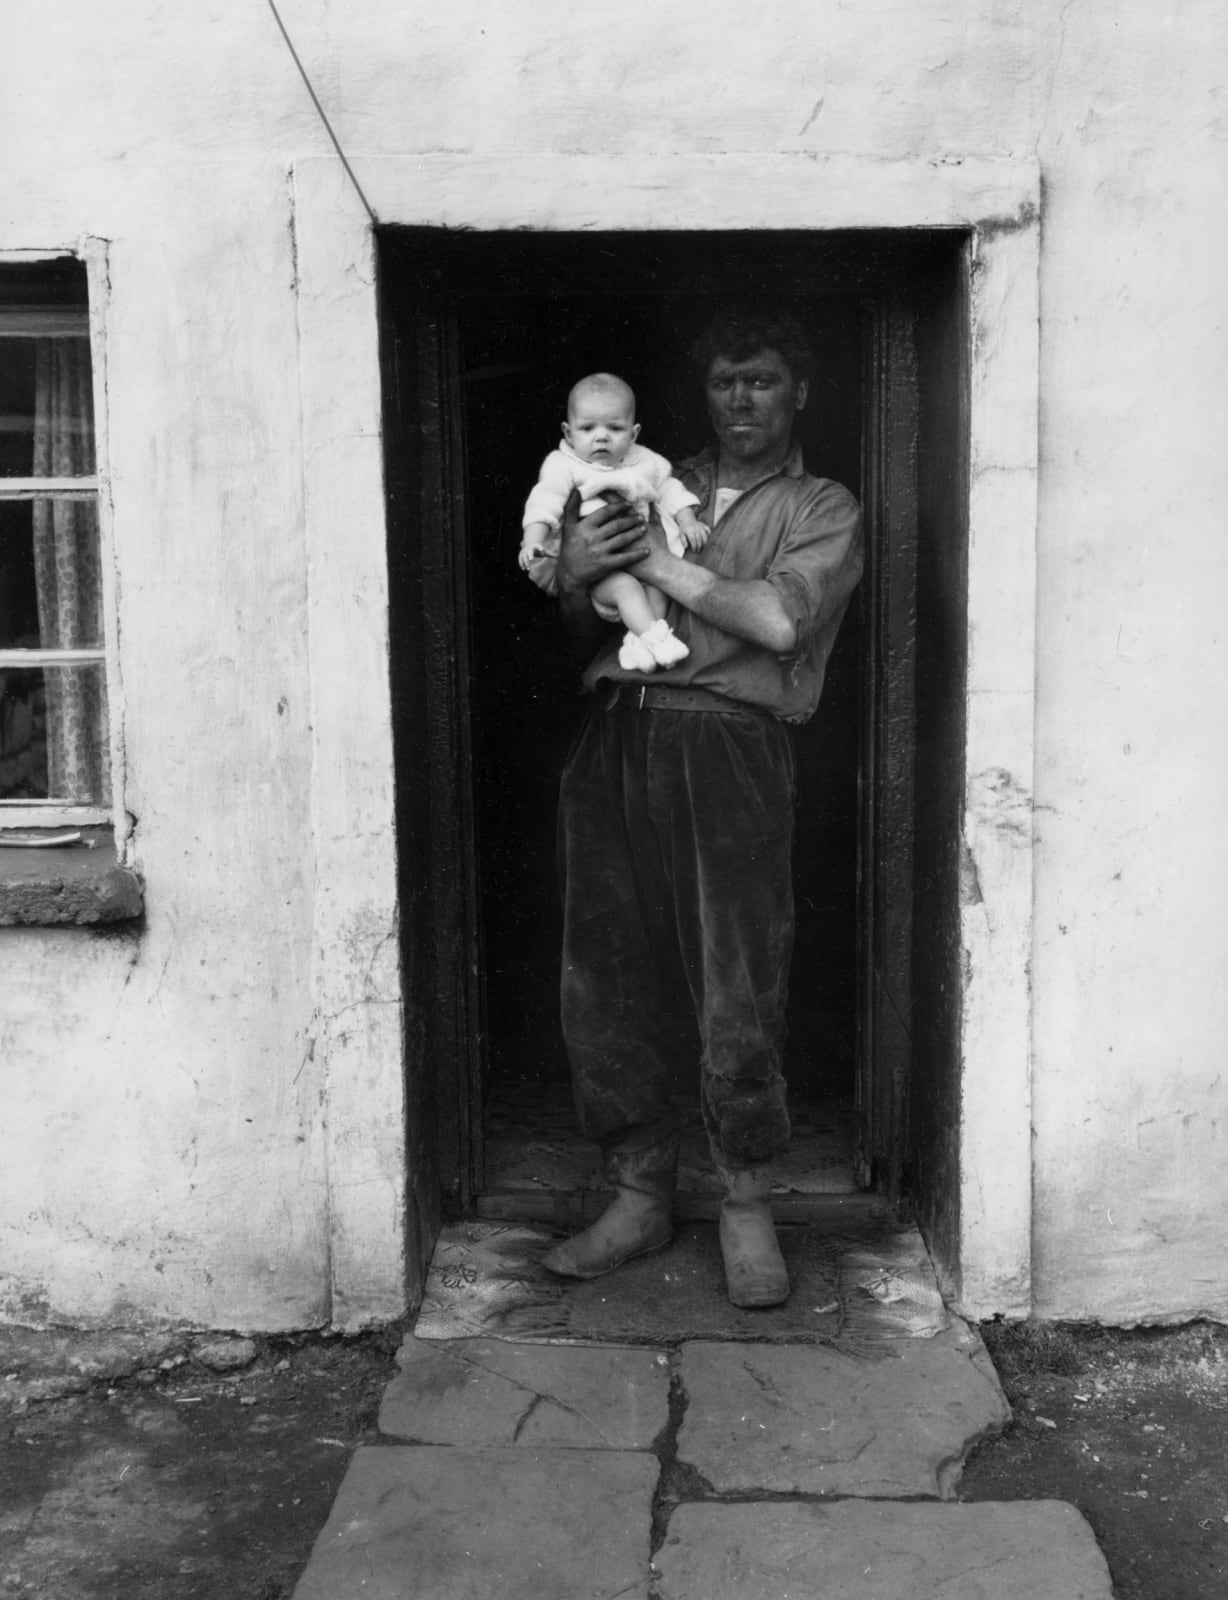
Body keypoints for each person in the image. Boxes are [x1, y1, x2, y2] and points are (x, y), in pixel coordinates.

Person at [541, 309, 864, 1308]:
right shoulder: (644, 470)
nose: (743, 400)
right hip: (619, 728)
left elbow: (774, 617)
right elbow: (563, 590)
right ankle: (637, 1193)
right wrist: (593, 562)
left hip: (730, 742)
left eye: (762, 380)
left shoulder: (821, 503)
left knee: (736, 973)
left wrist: (655, 562)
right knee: (606, 968)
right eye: (727, 381)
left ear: (797, 391)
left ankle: (743, 1202)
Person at [520, 372, 709, 671]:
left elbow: (670, 489)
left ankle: (638, 644)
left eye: (615, 428)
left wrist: (687, 521)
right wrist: (532, 539)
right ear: (569, 434)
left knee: (659, 587)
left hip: (644, 559)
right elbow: (544, 502)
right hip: (599, 572)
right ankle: (658, 640)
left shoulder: (646, 461)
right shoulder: (564, 465)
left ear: (633, 434)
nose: (601, 436)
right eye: (587, 427)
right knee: (626, 588)